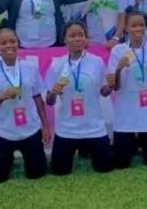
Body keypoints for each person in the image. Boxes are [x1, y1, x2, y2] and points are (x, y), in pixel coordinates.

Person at [0, 28, 51, 182]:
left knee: (37, 174)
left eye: (12, 41)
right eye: (3, 42)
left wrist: (45, 125)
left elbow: (38, 97)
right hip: (4, 132)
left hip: (30, 130)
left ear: (18, 43)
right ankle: (7, 159)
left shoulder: (30, 67)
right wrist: (1, 97)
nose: (9, 45)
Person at [45, 22, 113, 175]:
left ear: (86, 38)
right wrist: (53, 93)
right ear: (65, 39)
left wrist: (111, 85)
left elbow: (104, 92)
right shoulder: (57, 65)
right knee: (59, 171)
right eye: (72, 35)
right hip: (67, 129)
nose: (77, 39)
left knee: (105, 168)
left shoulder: (97, 62)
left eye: (81, 35)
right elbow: (50, 101)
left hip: (94, 127)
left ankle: (88, 150)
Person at [108, 9, 147, 168]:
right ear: (126, 28)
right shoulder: (118, 51)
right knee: (121, 163)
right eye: (134, 25)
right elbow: (114, 86)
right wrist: (118, 69)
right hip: (126, 114)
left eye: (142, 25)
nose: (138, 29)